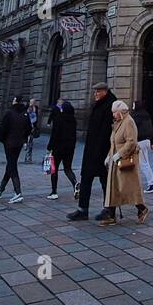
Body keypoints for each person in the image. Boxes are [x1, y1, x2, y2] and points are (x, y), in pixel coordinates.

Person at [68, 84, 116, 221]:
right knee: (86, 179)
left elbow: (107, 131)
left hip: (102, 151)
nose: (95, 93)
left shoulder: (110, 105)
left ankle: (109, 209)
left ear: (105, 92)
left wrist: (101, 151)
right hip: (92, 149)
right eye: (95, 91)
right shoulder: (100, 104)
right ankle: (82, 209)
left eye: (98, 91)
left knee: (105, 181)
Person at [101, 100, 149, 226]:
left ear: (121, 111)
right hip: (115, 160)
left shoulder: (128, 122)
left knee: (128, 187)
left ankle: (142, 208)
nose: (113, 115)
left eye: (114, 112)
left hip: (125, 161)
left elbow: (131, 141)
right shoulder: (118, 123)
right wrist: (109, 156)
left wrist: (119, 154)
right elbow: (114, 142)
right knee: (113, 187)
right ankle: (111, 215)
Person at [0, 101, 28, 204]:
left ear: (15, 101)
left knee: (12, 165)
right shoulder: (25, 114)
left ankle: (18, 193)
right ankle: (0, 189)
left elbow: (2, 128)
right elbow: (29, 128)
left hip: (9, 143)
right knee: (11, 164)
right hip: (19, 144)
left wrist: (2, 139)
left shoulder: (9, 113)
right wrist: (24, 139)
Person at [46, 98, 78, 200]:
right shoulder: (73, 121)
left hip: (58, 147)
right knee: (68, 168)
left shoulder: (59, 119)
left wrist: (49, 147)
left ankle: (54, 192)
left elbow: (54, 134)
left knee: (54, 170)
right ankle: (75, 183)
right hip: (69, 148)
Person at [131, 99, 153, 192]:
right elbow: (150, 129)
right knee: (139, 163)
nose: (132, 106)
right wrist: (152, 141)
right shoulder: (146, 115)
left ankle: (151, 184)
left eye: (133, 105)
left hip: (140, 142)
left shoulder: (135, 116)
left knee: (144, 164)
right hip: (146, 141)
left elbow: (132, 130)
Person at [24, 99, 40, 163]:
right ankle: (25, 144)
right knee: (28, 142)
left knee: (30, 143)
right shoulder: (26, 109)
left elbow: (35, 119)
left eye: (34, 102)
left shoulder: (35, 111)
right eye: (32, 102)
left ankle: (28, 158)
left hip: (31, 128)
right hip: (26, 128)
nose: (33, 103)